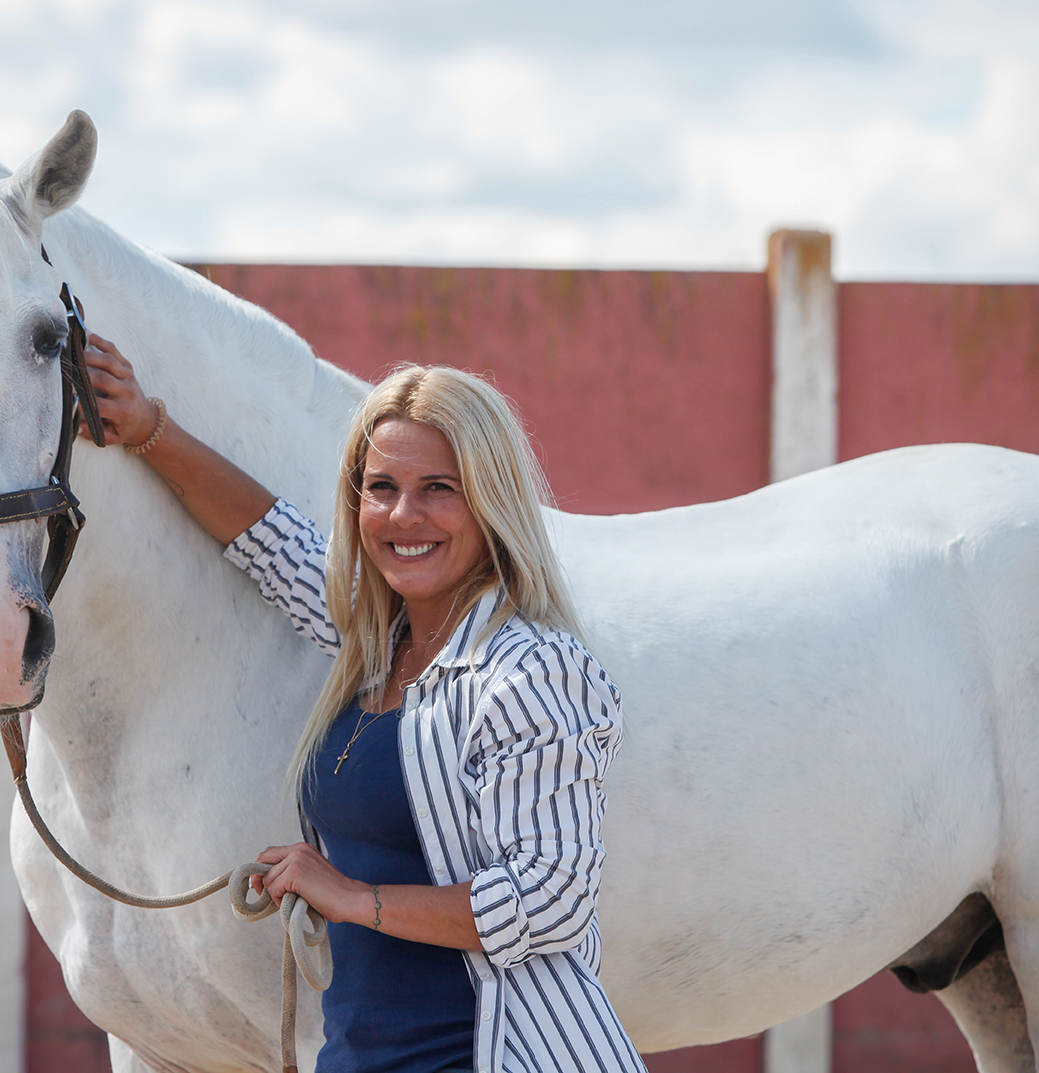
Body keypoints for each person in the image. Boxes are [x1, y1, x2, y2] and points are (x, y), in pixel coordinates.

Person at [82, 335, 646, 1073]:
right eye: (381, 487)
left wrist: (352, 896)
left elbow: (549, 897)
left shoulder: (530, 671)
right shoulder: (374, 645)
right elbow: (270, 540)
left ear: (491, 501)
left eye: (439, 488)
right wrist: (149, 428)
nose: (404, 515)